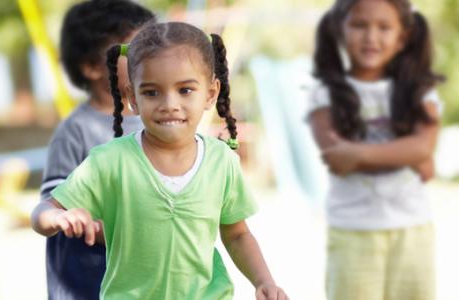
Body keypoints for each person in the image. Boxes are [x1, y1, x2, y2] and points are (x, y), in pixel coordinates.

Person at [32, 22, 288, 299]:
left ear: (210, 94)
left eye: (185, 90)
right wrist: (58, 216)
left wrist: (263, 281)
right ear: (132, 97)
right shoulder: (109, 161)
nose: (169, 104)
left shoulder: (222, 161)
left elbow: (237, 234)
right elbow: (41, 213)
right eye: (152, 92)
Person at [307, 0, 444, 299]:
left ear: (403, 37)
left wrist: (358, 153)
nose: (371, 37)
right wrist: (405, 154)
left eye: (384, 27)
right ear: (339, 30)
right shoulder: (324, 94)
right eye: (359, 25)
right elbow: (337, 159)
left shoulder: (419, 90)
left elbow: (424, 146)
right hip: (352, 233)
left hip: (413, 232)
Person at [38, 1, 155, 299]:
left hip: (149, 276)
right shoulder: (76, 131)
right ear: (91, 67)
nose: (151, 56)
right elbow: (48, 207)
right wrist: (64, 218)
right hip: (91, 279)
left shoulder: (162, 120)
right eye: (134, 49)